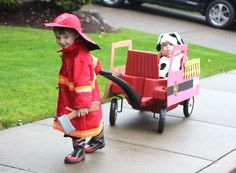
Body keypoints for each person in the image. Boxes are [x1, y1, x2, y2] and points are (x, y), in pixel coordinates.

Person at [44, 13, 105, 164]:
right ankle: (99, 139)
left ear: (76, 35)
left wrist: (83, 104)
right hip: (72, 95)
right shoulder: (74, 50)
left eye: (65, 37)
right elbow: (95, 63)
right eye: (58, 37)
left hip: (81, 98)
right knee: (90, 119)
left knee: (76, 123)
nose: (61, 41)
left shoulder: (78, 56)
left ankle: (79, 150)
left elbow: (83, 81)